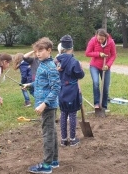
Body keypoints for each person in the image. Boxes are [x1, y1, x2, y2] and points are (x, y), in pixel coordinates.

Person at [22, 37, 61, 173]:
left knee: (47, 134)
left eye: (40, 51)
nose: (37, 54)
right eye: (36, 51)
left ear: (49, 50)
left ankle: (46, 166)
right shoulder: (42, 64)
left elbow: (56, 88)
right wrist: (30, 85)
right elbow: (41, 83)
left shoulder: (50, 67)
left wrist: (44, 104)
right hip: (44, 103)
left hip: (48, 106)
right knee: (52, 132)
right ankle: (54, 161)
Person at [56, 35, 85, 147]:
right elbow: (80, 75)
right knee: (72, 114)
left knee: (63, 114)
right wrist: (81, 68)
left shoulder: (56, 60)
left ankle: (63, 140)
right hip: (72, 91)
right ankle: (72, 139)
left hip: (61, 90)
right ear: (71, 48)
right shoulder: (74, 61)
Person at [85, 28, 117, 109]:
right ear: (96, 36)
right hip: (94, 66)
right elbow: (87, 53)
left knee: (105, 87)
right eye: (99, 39)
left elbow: (113, 55)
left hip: (105, 67)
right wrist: (99, 54)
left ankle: (104, 106)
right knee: (96, 83)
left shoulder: (111, 42)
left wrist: (108, 66)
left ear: (106, 37)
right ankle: (96, 103)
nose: (100, 41)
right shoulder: (93, 40)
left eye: (102, 39)